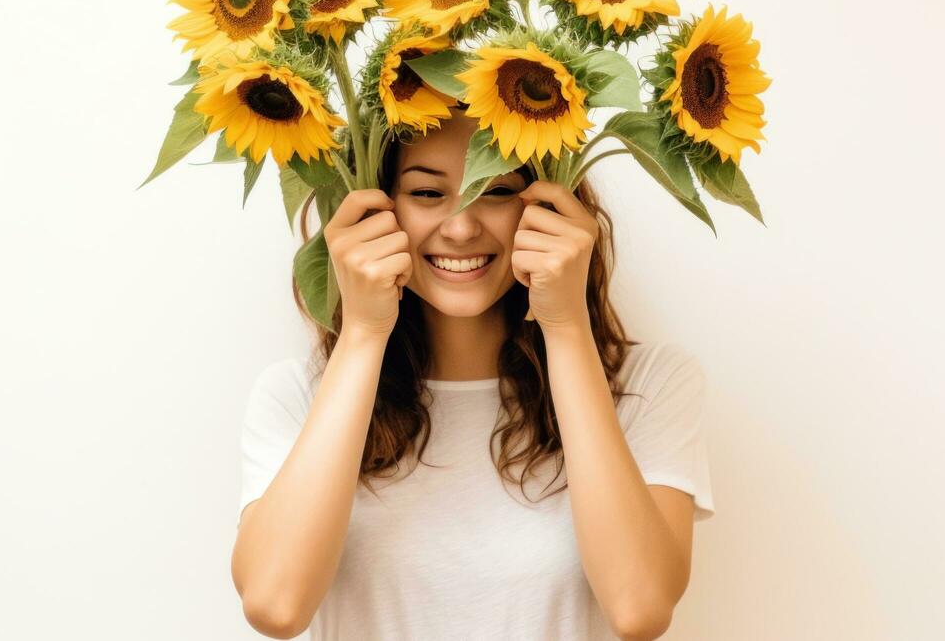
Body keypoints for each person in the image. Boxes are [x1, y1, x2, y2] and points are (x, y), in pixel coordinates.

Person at [230, 103, 715, 640]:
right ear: (376, 207)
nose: (460, 227)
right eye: (427, 193)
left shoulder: (649, 386)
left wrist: (565, 322)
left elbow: (639, 609)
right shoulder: (297, 396)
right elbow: (275, 605)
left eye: (498, 189)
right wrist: (365, 332)